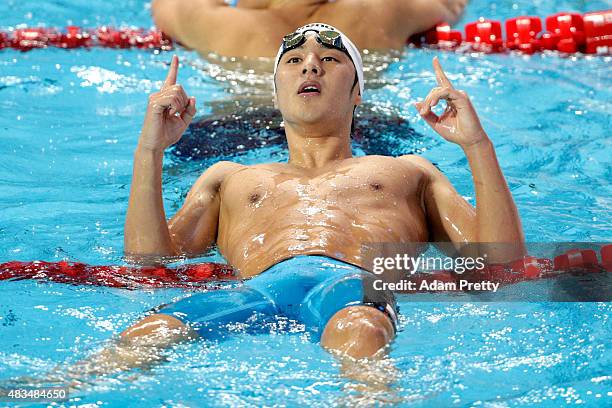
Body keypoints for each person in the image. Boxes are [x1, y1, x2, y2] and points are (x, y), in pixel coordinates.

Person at [61, 23, 523, 378]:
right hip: (254, 290)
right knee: (149, 331)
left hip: (354, 287)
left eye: (330, 59)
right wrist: (150, 152)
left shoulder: (409, 170)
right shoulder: (230, 178)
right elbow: (149, 262)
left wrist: (476, 146)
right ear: (277, 89)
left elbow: (501, 262)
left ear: (358, 91)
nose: (311, 66)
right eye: (295, 60)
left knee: (361, 333)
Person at [151, 0, 468, 57]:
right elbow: (453, 5)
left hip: (242, 128)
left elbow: (162, 7)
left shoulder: (219, 25)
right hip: (362, 124)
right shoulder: (381, 12)